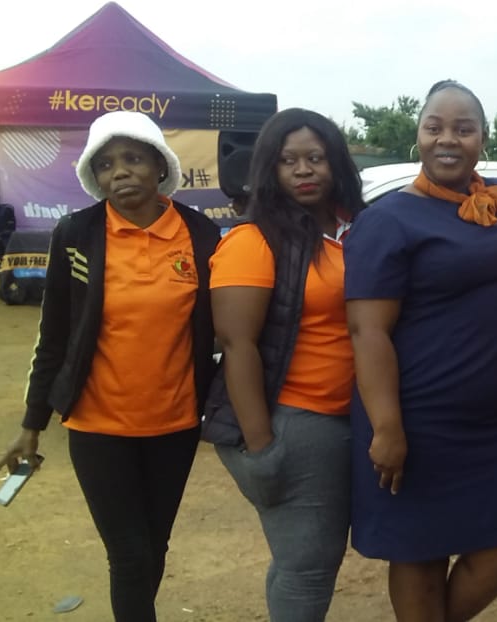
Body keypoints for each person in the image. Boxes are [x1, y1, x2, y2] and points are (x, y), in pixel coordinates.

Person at [0, 110, 220, 622]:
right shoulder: (77, 233)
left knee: (153, 546)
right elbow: (54, 335)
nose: (120, 172)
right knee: (130, 554)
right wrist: (32, 424)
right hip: (98, 427)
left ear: (160, 166)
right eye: (106, 164)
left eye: (133, 159)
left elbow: (221, 328)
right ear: (94, 176)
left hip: (176, 424)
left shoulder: (200, 234)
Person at [343, 80, 497, 622]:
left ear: (483, 137)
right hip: (418, 419)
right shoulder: (388, 220)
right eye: (434, 127)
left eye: (464, 129)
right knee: (420, 552)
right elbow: (368, 331)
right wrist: (387, 427)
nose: (448, 139)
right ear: (418, 135)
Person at [206, 108, 365, 621]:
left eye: (315, 158)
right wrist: (263, 447)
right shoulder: (254, 241)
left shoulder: (351, 231)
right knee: (308, 568)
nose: (303, 170)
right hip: (295, 422)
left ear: (335, 163)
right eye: (288, 160)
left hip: (341, 420)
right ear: (268, 169)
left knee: (299, 561)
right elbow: (237, 345)